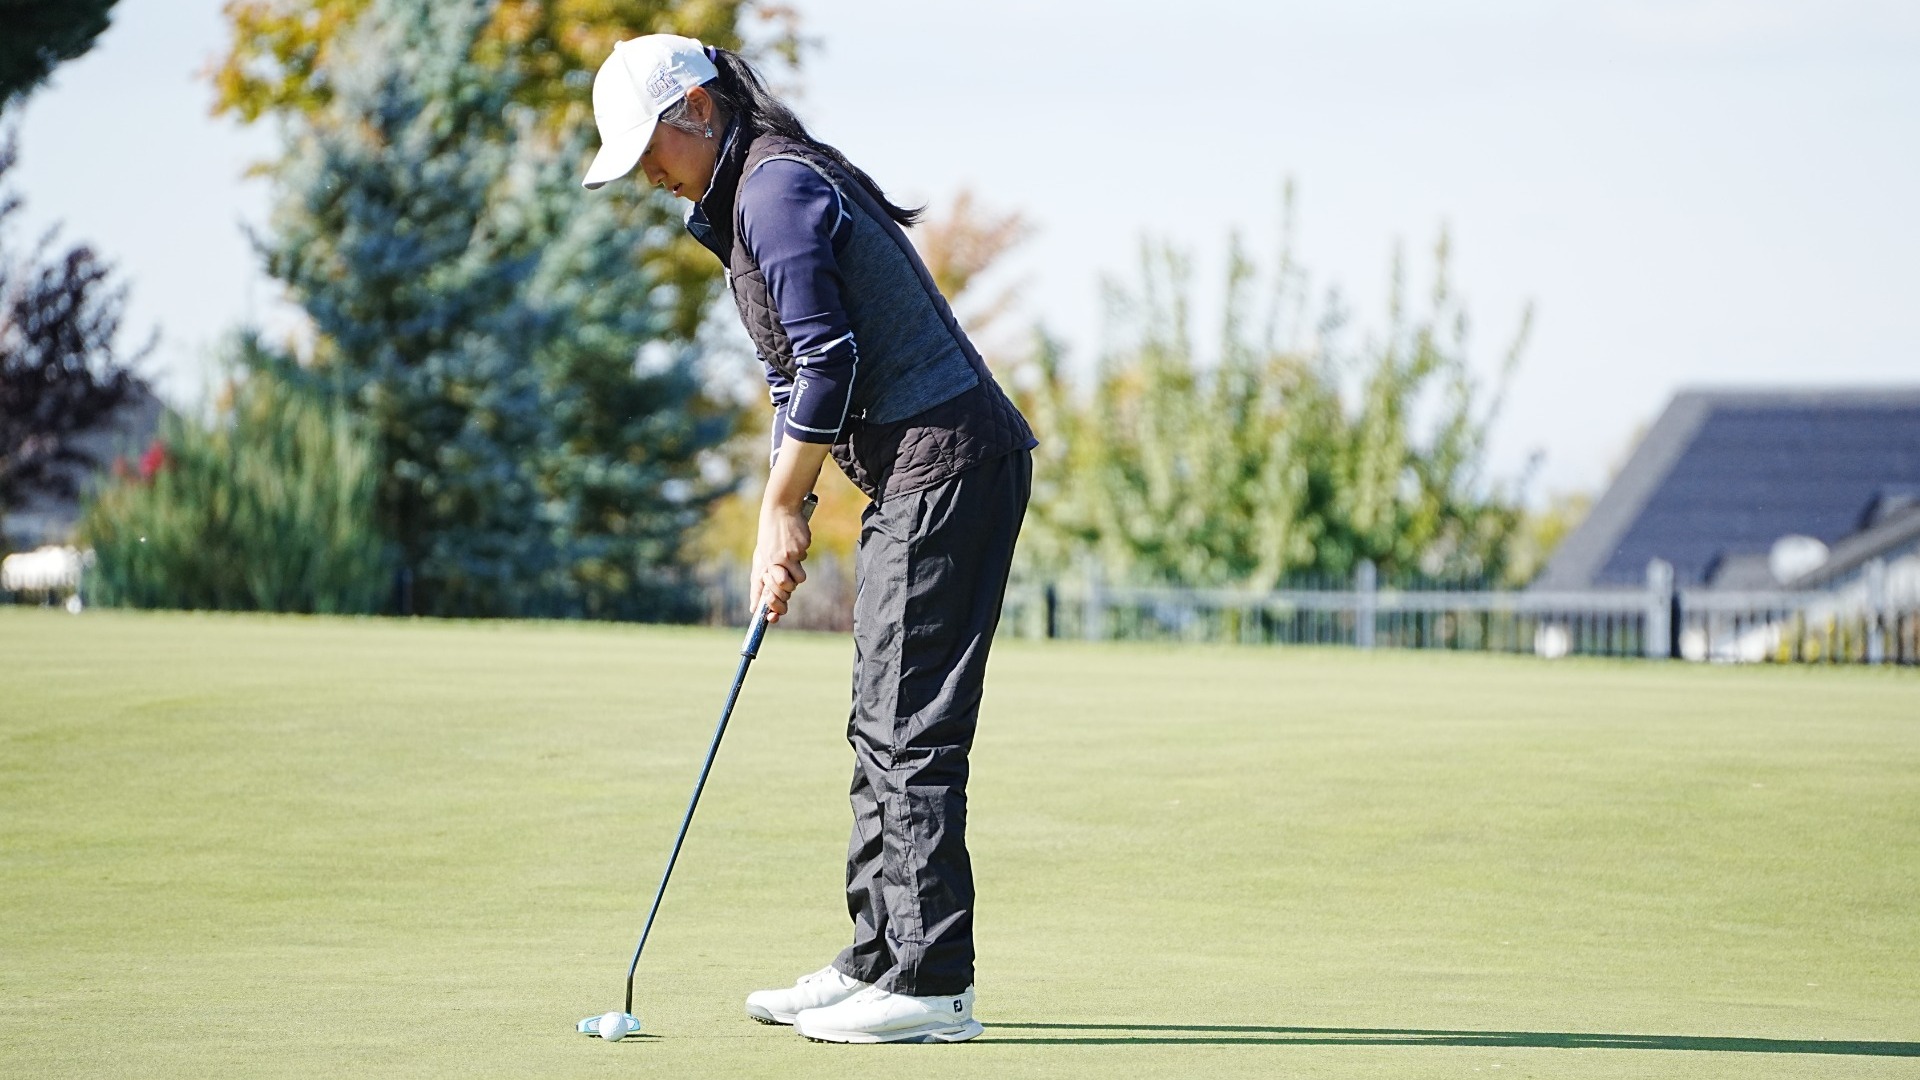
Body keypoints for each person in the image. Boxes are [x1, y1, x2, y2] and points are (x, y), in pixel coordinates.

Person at [581, 35, 1035, 1045]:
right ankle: (879, 956)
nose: (647, 174)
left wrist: (780, 507)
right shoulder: (744, 196)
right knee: (879, 717)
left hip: (949, 464)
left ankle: (930, 982)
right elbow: (797, 382)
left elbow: (828, 365)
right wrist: (780, 511)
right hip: (921, 469)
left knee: (907, 728)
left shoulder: (774, 191)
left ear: (696, 108)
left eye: (649, 146)